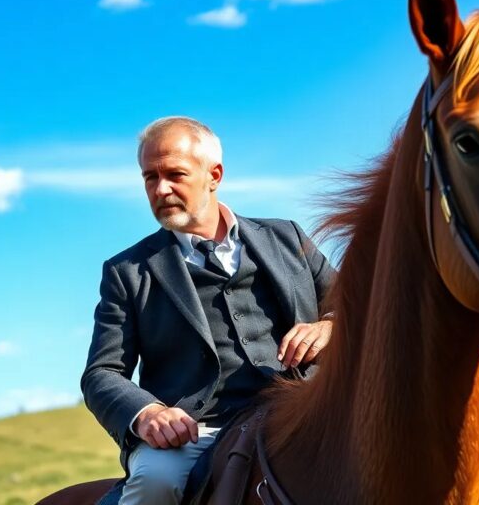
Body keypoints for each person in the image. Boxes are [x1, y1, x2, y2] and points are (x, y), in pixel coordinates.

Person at [81, 116, 336, 504]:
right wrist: (148, 413)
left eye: (175, 174)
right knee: (155, 483)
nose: (161, 188)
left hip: (304, 407)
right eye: (150, 177)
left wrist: (331, 325)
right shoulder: (126, 272)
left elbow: (355, 304)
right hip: (196, 430)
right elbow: (102, 373)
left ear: (213, 175)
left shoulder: (288, 236)